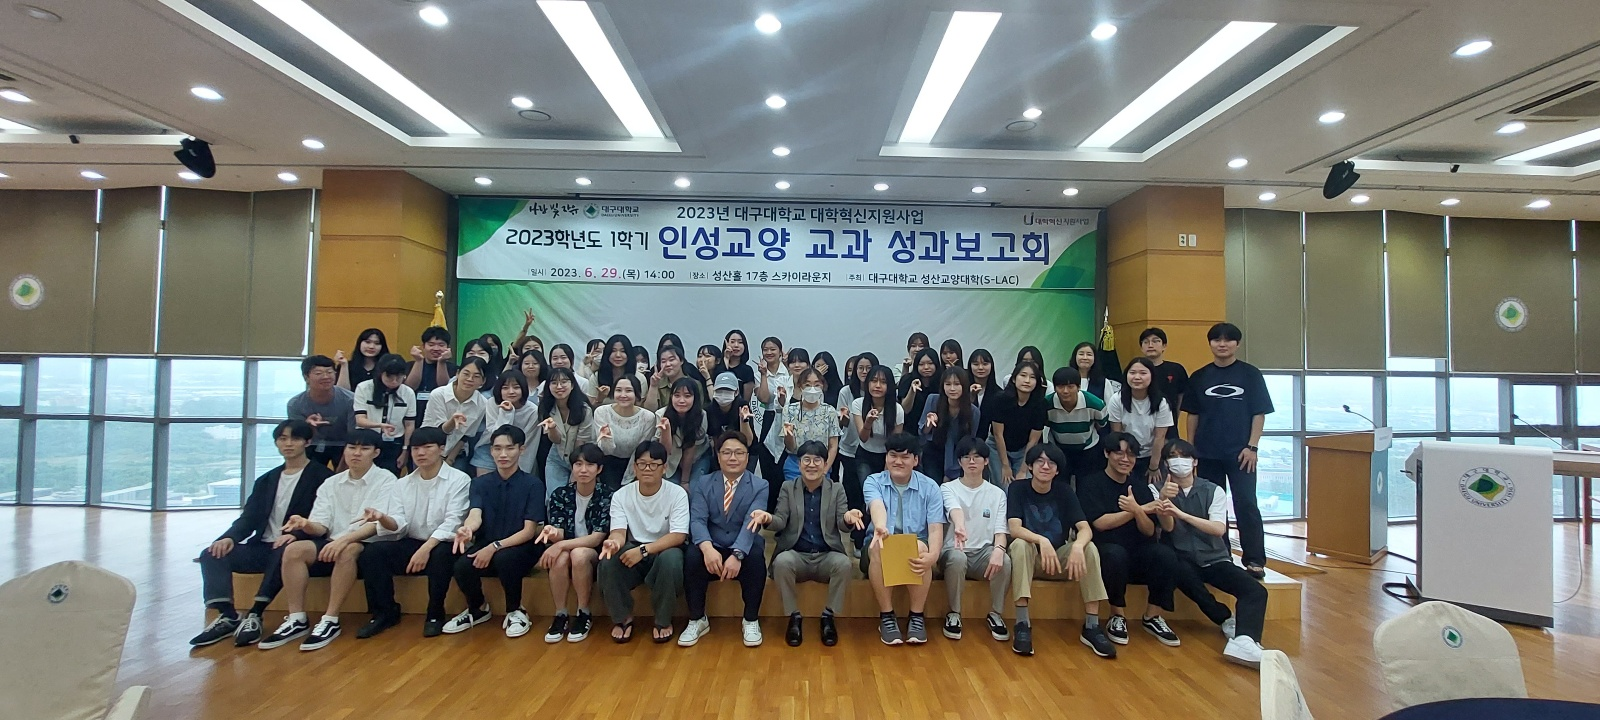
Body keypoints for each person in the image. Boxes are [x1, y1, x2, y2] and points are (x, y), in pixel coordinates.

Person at [189, 420, 333, 647]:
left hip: (297, 548)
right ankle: (228, 615)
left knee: (284, 549)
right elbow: (249, 518)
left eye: (295, 439)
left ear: (307, 442)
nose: (288, 444)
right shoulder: (266, 479)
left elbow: (325, 522)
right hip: (262, 547)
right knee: (212, 553)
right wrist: (228, 538)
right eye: (282, 439)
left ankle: (255, 613)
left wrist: (298, 536)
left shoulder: (323, 477)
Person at [255, 429, 398, 651]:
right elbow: (320, 525)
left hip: (368, 543)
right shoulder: (331, 483)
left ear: (376, 453)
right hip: (332, 540)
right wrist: (305, 524)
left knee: (347, 550)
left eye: (364, 448)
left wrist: (344, 540)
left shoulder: (387, 480)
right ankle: (297, 618)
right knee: (294, 550)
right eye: (352, 447)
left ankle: (331, 619)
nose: (356, 453)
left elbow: (376, 524)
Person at [1154, 440, 1269, 668]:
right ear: (1166, 464)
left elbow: (1218, 529)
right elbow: (1167, 527)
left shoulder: (1213, 490)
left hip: (1214, 557)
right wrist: (1164, 499)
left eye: (1184, 456)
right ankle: (1225, 618)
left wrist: (1183, 515)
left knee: (1255, 591)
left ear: (1195, 462)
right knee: (1182, 574)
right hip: (1182, 558)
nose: (1179, 461)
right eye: (1173, 457)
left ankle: (1246, 640)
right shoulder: (1157, 489)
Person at [352, 427, 470, 639]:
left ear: (442, 449)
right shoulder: (402, 484)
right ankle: (385, 612)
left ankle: (435, 614)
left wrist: (426, 548)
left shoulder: (459, 479)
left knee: (441, 554)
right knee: (372, 552)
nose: (420, 453)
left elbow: (453, 522)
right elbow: (399, 523)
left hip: (444, 542)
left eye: (427, 447)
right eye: (416, 448)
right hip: (413, 541)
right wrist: (382, 517)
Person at [1006, 443, 1114, 658]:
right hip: (1031, 559)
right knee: (1019, 544)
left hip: (1058, 560)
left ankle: (1092, 626)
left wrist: (1078, 546)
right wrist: (1042, 541)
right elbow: (1014, 528)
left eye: (1051, 463)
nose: (1045, 466)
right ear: (1030, 466)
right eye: (1040, 461)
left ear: (1057, 470)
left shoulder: (1065, 491)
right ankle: (1022, 624)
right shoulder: (1018, 488)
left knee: (1089, 548)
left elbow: (1085, 528)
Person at [1183, 322, 1273, 579]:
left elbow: (1259, 413)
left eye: (1228, 340)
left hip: (1242, 454)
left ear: (1237, 344)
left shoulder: (1250, 374)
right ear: (1210, 343)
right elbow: (1192, 415)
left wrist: (1252, 447)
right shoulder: (1199, 376)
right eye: (1217, 340)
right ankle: (1220, 556)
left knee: (1246, 504)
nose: (1222, 344)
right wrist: (1191, 451)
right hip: (1207, 453)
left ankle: (1254, 559)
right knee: (1212, 507)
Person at [1076, 432, 1182, 649]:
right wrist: (1136, 510)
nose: (1126, 459)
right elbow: (1100, 523)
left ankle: (1152, 616)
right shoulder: (1091, 483)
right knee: (1114, 555)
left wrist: (1138, 511)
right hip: (1106, 552)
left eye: (1131, 455)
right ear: (1107, 454)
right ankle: (1117, 615)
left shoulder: (1139, 486)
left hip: (1137, 551)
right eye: (1119, 453)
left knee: (1165, 554)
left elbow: (1149, 530)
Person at [443, 425, 547, 638]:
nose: (503, 454)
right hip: (488, 542)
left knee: (505, 559)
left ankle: (516, 610)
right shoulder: (479, 483)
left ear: (521, 450)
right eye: (497, 448)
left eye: (509, 448)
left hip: (522, 546)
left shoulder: (533, 484)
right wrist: (468, 528)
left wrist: (494, 547)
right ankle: (478, 608)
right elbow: (475, 514)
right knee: (462, 565)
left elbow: (529, 531)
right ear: (491, 451)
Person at [766, 440, 865, 647]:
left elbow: (843, 524)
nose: (811, 465)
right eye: (806, 460)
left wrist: (848, 518)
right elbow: (780, 521)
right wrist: (767, 519)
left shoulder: (836, 489)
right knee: (782, 562)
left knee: (844, 564)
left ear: (825, 463)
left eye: (817, 460)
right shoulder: (788, 487)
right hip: (797, 554)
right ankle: (794, 617)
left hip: (826, 555)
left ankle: (828, 616)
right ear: (799, 463)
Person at [678, 432, 771, 647]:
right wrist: (707, 549)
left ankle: (750, 620)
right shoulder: (704, 482)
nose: (733, 458)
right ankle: (697, 619)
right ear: (718, 456)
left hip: (743, 543)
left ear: (747, 457)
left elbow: (752, 522)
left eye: (739, 453)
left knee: (756, 554)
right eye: (727, 452)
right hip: (713, 543)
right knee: (692, 555)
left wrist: (738, 554)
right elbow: (697, 520)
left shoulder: (760, 485)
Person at [598, 441, 689, 643]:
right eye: (642, 464)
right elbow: (618, 532)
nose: (647, 469)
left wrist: (644, 550)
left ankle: (663, 620)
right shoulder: (621, 495)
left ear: (664, 468)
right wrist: (614, 542)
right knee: (609, 559)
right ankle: (623, 618)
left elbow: (678, 535)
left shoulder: (677, 494)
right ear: (634, 467)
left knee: (671, 559)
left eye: (654, 464)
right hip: (634, 548)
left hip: (664, 548)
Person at [863, 432, 945, 646]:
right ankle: (886, 616)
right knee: (881, 545)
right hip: (879, 542)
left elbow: (935, 528)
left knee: (920, 548)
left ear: (915, 460)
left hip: (915, 544)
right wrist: (880, 526)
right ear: (886, 457)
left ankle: (916, 616)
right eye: (893, 455)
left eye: (905, 456)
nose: (898, 461)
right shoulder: (873, 481)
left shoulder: (930, 487)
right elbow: (876, 506)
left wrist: (934, 556)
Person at [534, 443, 614, 643]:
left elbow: (597, 538)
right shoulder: (561, 495)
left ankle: (583, 612)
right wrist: (553, 534)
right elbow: (560, 533)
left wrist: (560, 545)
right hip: (567, 548)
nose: (583, 470)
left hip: (595, 551)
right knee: (559, 558)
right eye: (578, 464)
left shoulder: (607, 495)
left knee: (578, 554)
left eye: (589, 465)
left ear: (599, 469)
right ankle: (560, 614)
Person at [936, 438, 1011, 643]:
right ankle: (954, 613)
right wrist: (960, 526)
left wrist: (999, 549)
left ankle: (996, 613)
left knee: (1004, 560)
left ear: (986, 461)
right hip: (953, 550)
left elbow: (1000, 530)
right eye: (966, 457)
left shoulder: (997, 494)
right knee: (958, 558)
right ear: (959, 462)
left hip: (982, 554)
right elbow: (954, 509)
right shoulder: (947, 488)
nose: (971, 461)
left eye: (977, 457)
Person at [850, 364, 902, 545]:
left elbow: (895, 444)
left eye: (883, 382)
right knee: (868, 495)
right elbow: (863, 438)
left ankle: (885, 536)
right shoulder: (858, 404)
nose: (877, 385)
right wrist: (868, 422)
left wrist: (889, 466)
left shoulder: (897, 409)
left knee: (886, 495)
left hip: (887, 456)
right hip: (865, 455)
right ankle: (861, 539)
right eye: (873, 381)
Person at [286, 354, 356, 469]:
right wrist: (307, 426)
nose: (326, 377)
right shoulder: (295, 404)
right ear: (306, 377)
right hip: (312, 445)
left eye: (330, 372)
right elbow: (296, 437)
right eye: (318, 373)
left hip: (343, 444)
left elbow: (353, 435)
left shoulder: (350, 400)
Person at [1109, 357, 1173, 481]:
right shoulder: (1117, 399)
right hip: (1125, 455)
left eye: (1143, 373)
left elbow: (1159, 437)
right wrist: (1123, 461)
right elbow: (1117, 434)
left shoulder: (1161, 403)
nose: (1137, 377)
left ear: (1152, 376)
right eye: (1132, 373)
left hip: (1151, 456)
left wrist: (1154, 466)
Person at [420, 357, 490, 470]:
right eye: (466, 374)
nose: (470, 379)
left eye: (476, 376)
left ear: (483, 381)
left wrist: (450, 460)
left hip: (456, 453)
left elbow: (466, 436)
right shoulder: (438, 394)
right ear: (457, 374)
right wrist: (452, 422)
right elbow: (440, 431)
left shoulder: (482, 403)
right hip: (428, 448)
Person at [352, 354, 416, 474]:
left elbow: (409, 425)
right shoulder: (364, 388)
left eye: (399, 377)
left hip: (394, 445)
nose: (394, 381)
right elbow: (360, 420)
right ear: (380, 373)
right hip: (368, 442)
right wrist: (380, 425)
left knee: (391, 478)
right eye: (389, 377)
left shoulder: (408, 393)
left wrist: (405, 450)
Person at [1044, 366, 1108, 484]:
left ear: (1078, 387)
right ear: (1055, 387)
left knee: (1086, 486)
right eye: (1060, 386)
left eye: (1070, 386)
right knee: (1060, 486)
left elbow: (1101, 424)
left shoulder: (1095, 404)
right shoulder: (1046, 404)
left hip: (1088, 450)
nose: (1065, 391)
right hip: (1059, 450)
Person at [988, 361, 1047, 488]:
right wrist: (1005, 466)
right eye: (1023, 375)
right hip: (997, 446)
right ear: (1014, 379)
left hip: (1024, 449)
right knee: (1005, 486)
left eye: (1032, 377)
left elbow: (1033, 440)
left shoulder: (1040, 404)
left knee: (1023, 485)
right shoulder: (1000, 400)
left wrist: (1023, 470)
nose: (1027, 380)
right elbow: (998, 435)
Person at [539, 367, 596, 495]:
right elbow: (556, 440)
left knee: (574, 495)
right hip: (556, 457)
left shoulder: (584, 409)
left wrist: (576, 466)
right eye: (554, 383)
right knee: (554, 496)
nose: (559, 386)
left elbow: (581, 442)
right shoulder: (545, 407)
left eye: (564, 382)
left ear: (572, 385)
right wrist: (552, 428)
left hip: (581, 456)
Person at [594, 375, 659, 486]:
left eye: (629, 391)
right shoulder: (602, 412)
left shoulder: (648, 417)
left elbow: (641, 450)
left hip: (637, 464)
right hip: (607, 462)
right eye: (618, 390)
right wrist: (606, 439)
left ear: (637, 394)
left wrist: (629, 478)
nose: (623, 395)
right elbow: (605, 451)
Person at [471, 371, 539, 477]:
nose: (511, 392)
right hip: (489, 447)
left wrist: (522, 472)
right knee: (485, 484)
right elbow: (494, 434)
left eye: (516, 387)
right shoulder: (492, 403)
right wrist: (506, 413)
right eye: (505, 388)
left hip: (517, 451)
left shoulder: (533, 411)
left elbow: (530, 443)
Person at [782, 367, 843, 483]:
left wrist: (825, 469)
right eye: (807, 385)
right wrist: (788, 435)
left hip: (820, 464)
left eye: (816, 385)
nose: (812, 389)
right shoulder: (789, 410)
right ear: (800, 386)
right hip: (795, 464)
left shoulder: (829, 411)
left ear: (822, 386)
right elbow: (790, 447)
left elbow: (833, 446)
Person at [750, 337, 793, 503]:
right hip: (769, 418)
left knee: (785, 463)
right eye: (765, 349)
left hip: (789, 417)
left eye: (773, 349)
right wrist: (763, 375)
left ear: (780, 352)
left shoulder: (789, 371)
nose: (769, 352)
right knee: (768, 464)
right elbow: (764, 398)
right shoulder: (758, 374)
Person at [919, 366, 980, 482]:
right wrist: (929, 424)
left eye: (957, 384)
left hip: (958, 458)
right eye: (948, 384)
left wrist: (952, 472)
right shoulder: (933, 400)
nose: (952, 388)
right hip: (934, 453)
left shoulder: (973, 412)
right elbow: (922, 433)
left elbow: (969, 442)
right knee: (933, 485)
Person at [1139, 328, 1188, 437]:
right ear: (1141, 347)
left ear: (1164, 346)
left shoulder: (1176, 369)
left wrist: (1173, 417)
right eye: (1146, 342)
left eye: (1155, 341)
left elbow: (1181, 397)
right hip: (1140, 428)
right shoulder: (1135, 371)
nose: (1150, 345)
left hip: (1169, 429)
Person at [661, 377, 710, 486]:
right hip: (671, 459)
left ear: (695, 398)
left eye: (687, 396)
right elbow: (665, 451)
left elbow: (690, 449)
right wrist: (666, 431)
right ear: (671, 397)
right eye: (677, 395)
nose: (681, 400)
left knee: (694, 488)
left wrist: (685, 481)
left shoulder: (701, 416)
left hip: (696, 458)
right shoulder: (661, 415)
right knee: (672, 488)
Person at [406, 326, 457, 421]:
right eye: (431, 344)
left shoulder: (453, 368)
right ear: (423, 346)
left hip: (440, 414)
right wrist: (418, 361)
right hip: (413, 413)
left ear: (448, 348)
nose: (436, 348)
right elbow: (410, 388)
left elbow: (445, 388)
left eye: (441, 345)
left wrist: (441, 362)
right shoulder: (410, 365)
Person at [705, 372, 756, 460]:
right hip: (721, 453)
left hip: (746, 452)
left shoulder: (743, 406)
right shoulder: (709, 410)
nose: (723, 394)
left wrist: (744, 420)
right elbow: (714, 437)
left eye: (728, 390)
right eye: (719, 390)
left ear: (736, 392)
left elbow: (748, 441)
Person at [642, 344, 702, 412]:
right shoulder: (658, 383)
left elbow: (698, 409)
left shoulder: (695, 384)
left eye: (671, 360)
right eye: (663, 361)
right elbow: (649, 411)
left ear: (681, 361)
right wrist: (653, 386)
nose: (667, 364)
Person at [594, 334, 645, 407]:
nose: (618, 355)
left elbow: (641, 408)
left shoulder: (639, 378)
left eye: (623, 351)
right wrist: (600, 398)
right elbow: (590, 409)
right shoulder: (596, 377)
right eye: (613, 351)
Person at [1073, 341, 1122, 406]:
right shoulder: (1066, 379)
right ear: (1075, 357)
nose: (1085, 358)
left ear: (1095, 358)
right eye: (1081, 354)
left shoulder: (1104, 382)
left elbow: (1110, 407)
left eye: (1089, 354)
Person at [898, 348, 940, 418]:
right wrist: (912, 391)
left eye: (930, 363)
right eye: (921, 364)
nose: (926, 367)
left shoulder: (942, 380)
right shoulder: (907, 379)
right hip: (910, 423)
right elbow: (905, 410)